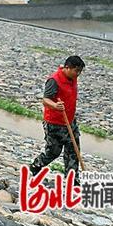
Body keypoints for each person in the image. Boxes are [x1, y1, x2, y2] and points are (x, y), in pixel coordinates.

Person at [29, 55, 85, 184]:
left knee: (73, 150)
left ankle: (72, 179)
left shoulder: (72, 78)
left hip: (70, 122)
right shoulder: (54, 80)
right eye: (76, 70)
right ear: (67, 68)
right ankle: (36, 165)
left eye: (80, 71)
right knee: (53, 152)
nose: (78, 74)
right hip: (54, 123)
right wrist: (55, 105)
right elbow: (45, 99)